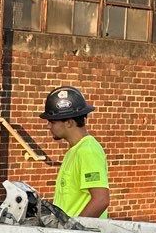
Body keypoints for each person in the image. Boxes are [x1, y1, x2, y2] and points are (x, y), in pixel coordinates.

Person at [40, 85, 110, 218]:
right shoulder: (75, 150)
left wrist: (75, 227)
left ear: (69, 122)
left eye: (52, 122)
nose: (48, 126)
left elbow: (101, 200)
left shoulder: (87, 151)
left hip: (80, 232)